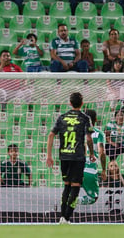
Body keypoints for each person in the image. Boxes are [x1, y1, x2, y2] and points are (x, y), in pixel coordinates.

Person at [46, 92, 95, 224]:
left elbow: (51, 135)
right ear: (82, 103)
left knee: (67, 185)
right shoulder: (85, 118)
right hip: (78, 156)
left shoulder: (62, 117)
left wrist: (49, 156)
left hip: (64, 156)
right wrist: (91, 153)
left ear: (70, 103)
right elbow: (89, 138)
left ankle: (62, 217)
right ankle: (66, 217)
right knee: (75, 186)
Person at [78, 109, 107, 205]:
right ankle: (70, 201)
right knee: (93, 198)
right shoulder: (99, 134)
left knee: (72, 191)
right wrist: (103, 170)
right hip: (89, 170)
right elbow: (101, 153)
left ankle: (65, 204)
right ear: (95, 119)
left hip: (74, 168)